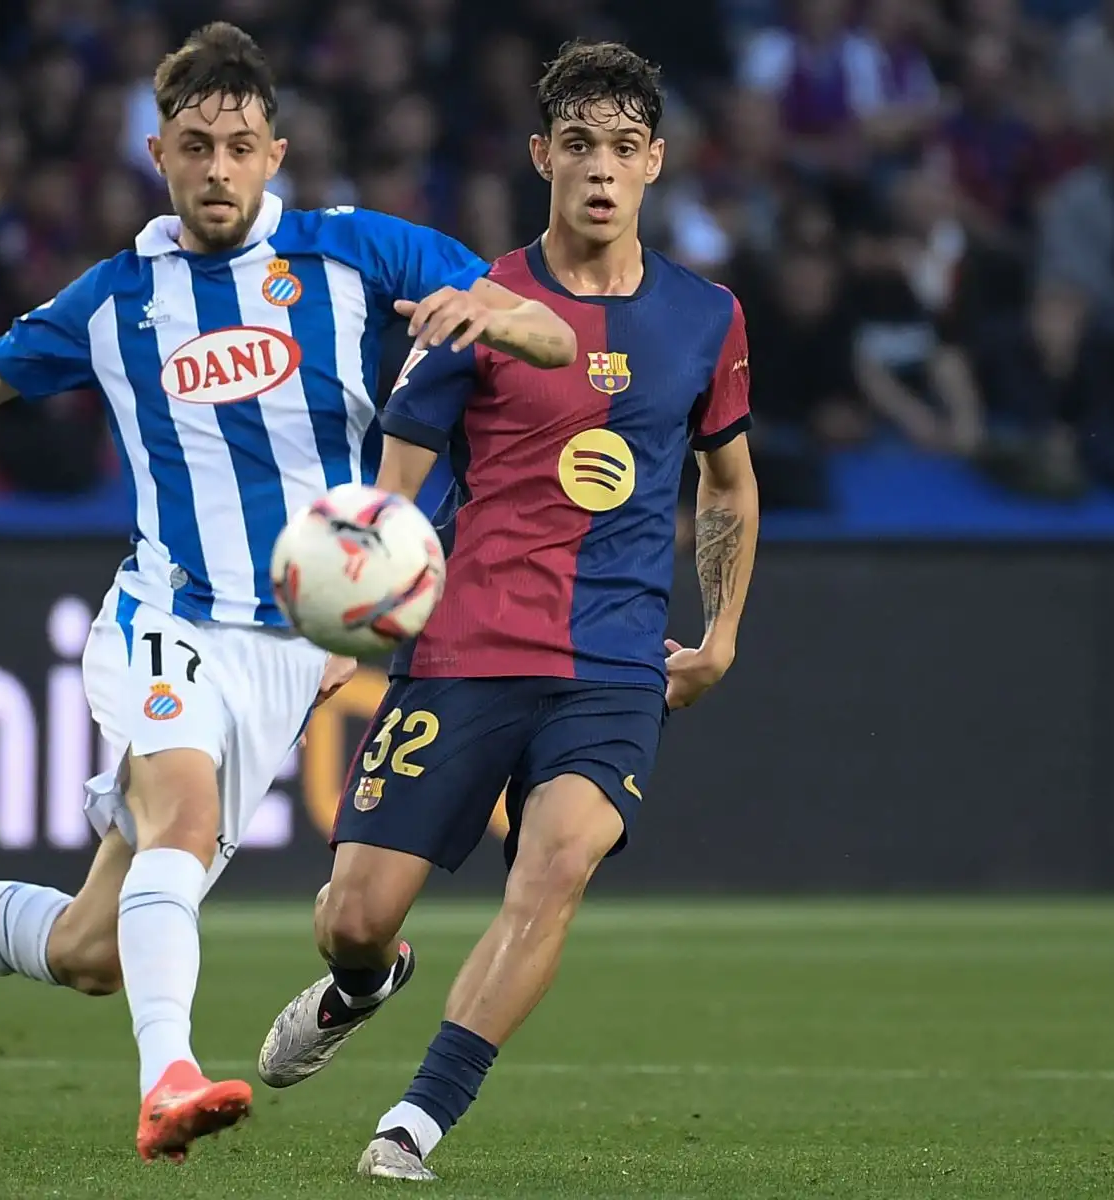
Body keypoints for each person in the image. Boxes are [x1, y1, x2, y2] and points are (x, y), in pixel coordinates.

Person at [0, 22, 575, 1163]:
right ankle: (166, 1079)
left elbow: (546, 330)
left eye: (238, 145)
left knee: (91, 948)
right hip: (164, 619)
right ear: (158, 152)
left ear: (275, 151)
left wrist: (500, 317)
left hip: (287, 650)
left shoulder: (358, 256)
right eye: (195, 145)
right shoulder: (116, 298)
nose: (218, 168)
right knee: (181, 816)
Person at [253, 41, 759, 1180]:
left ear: (656, 164)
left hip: (613, 660)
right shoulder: (473, 309)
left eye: (625, 149)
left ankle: (413, 1125)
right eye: (579, 144)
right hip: (468, 647)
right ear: (542, 156)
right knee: (352, 915)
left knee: (559, 863)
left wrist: (721, 635)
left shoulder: (707, 318)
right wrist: (346, 624)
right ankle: (362, 983)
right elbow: (390, 494)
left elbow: (726, 483)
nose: (601, 169)